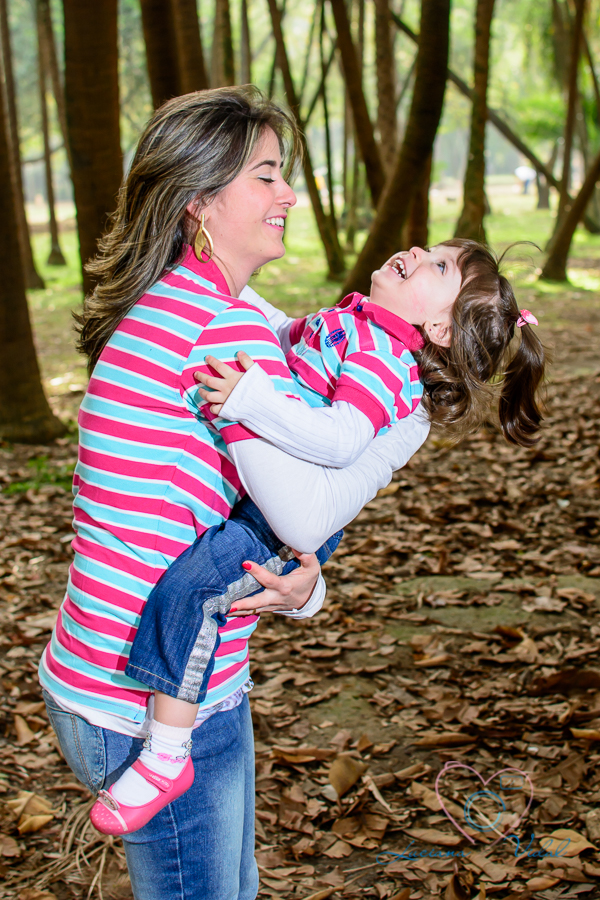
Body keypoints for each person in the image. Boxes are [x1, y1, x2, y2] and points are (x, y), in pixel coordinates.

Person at [39, 86, 432, 900]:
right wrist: (401, 438)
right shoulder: (228, 330)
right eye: (266, 176)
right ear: (199, 202)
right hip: (148, 701)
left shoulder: (196, 301)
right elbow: (305, 513)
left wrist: (305, 585)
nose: (288, 194)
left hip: (108, 668)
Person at [89, 237, 545, 836]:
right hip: (269, 501)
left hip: (281, 528)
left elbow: (340, 440)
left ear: (438, 328)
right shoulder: (355, 321)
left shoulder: (384, 359)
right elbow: (278, 330)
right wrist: (222, 271)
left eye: (439, 266)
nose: (414, 249)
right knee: (191, 591)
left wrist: (252, 403)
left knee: (193, 591)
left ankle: (166, 757)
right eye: (430, 246)